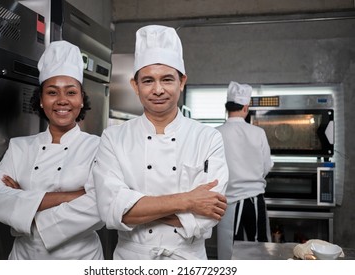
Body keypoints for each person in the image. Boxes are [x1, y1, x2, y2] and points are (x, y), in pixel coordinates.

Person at [93, 25, 229, 260]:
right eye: (148, 81)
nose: (158, 90)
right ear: (135, 85)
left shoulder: (208, 138)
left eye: (167, 79)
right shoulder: (113, 138)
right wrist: (188, 200)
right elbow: (110, 212)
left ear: (182, 81)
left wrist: (135, 207)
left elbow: (207, 218)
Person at [0, 40, 104, 260]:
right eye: (52, 92)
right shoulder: (19, 146)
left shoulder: (98, 147)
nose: (62, 101)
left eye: (71, 92)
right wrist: (72, 196)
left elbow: (101, 206)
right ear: (40, 100)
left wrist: (23, 203)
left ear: (81, 99)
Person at [216, 81, 274, 259]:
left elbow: (212, 172)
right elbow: (267, 166)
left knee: (230, 252)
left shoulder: (216, 133)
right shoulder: (258, 133)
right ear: (245, 108)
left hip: (227, 202)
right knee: (258, 250)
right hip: (254, 200)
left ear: (227, 108)